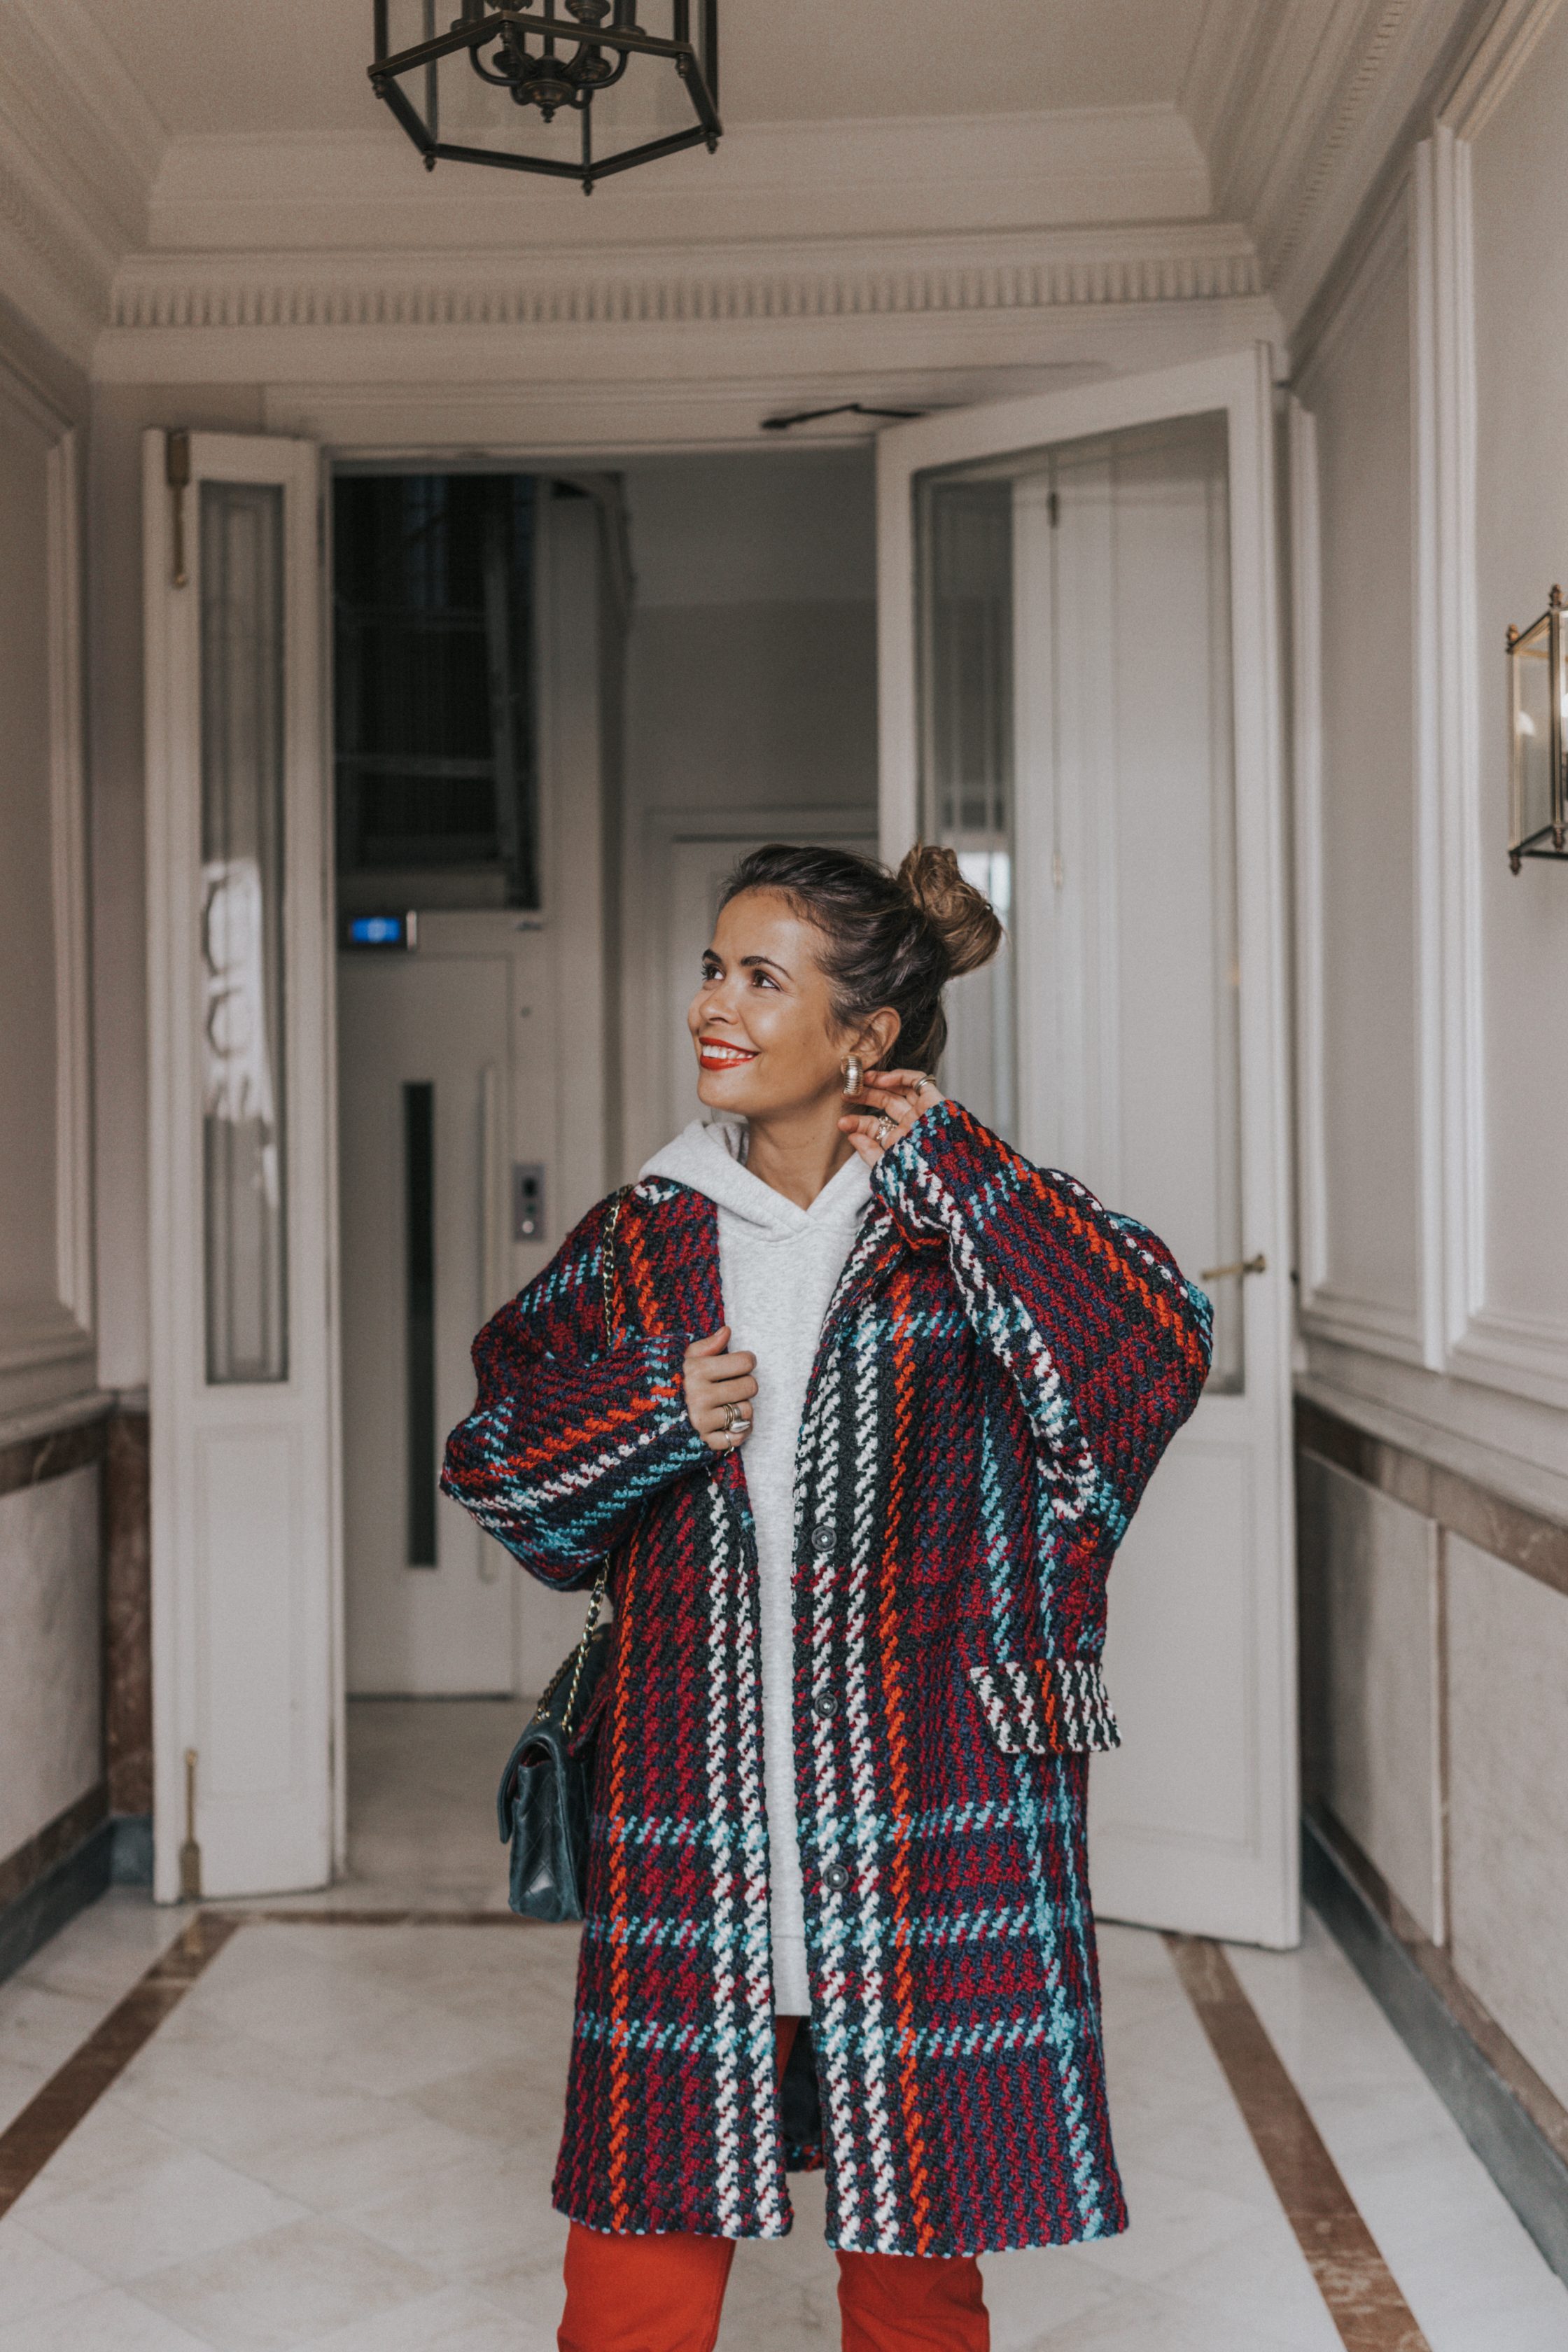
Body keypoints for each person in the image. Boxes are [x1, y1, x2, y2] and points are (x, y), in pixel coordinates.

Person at [442, 841, 1212, 2352]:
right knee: (639, 2245)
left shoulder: (956, 1221)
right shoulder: (642, 1236)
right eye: (712, 968)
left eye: (757, 978)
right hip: (694, 1804)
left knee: (918, 2250)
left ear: (862, 1034)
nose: (710, 1006)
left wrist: (962, 1166)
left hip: (925, 1801)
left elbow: (1149, 1353)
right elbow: (493, 1461)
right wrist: (656, 1415)